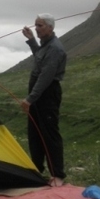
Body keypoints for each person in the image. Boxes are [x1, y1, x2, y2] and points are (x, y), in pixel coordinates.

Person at [21, 14, 67, 186]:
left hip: (47, 95)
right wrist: (32, 40)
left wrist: (30, 99)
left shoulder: (55, 49)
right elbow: (40, 58)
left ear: (50, 27)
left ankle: (58, 175)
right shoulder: (46, 46)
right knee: (35, 133)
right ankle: (37, 169)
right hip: (39, 96)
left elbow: (46, 77)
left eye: (39, 25)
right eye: (35, 25)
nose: (37, 28)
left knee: (49, 134)